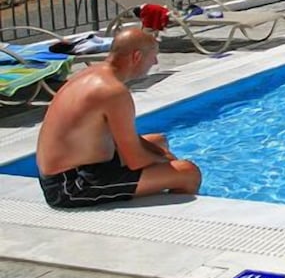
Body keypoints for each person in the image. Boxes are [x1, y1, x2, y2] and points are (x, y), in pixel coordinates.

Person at [35, 28, 201, 208]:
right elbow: (135, 160)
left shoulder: (92, 73)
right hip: (69, 186)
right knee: (188, 172)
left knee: (159, 141)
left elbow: (124, 141)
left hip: (76, 168)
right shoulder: (113, 92)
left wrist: (160, 155)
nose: (155, 62)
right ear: (137, 56)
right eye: (153, 56)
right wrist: (167, 162)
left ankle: (161, 182)